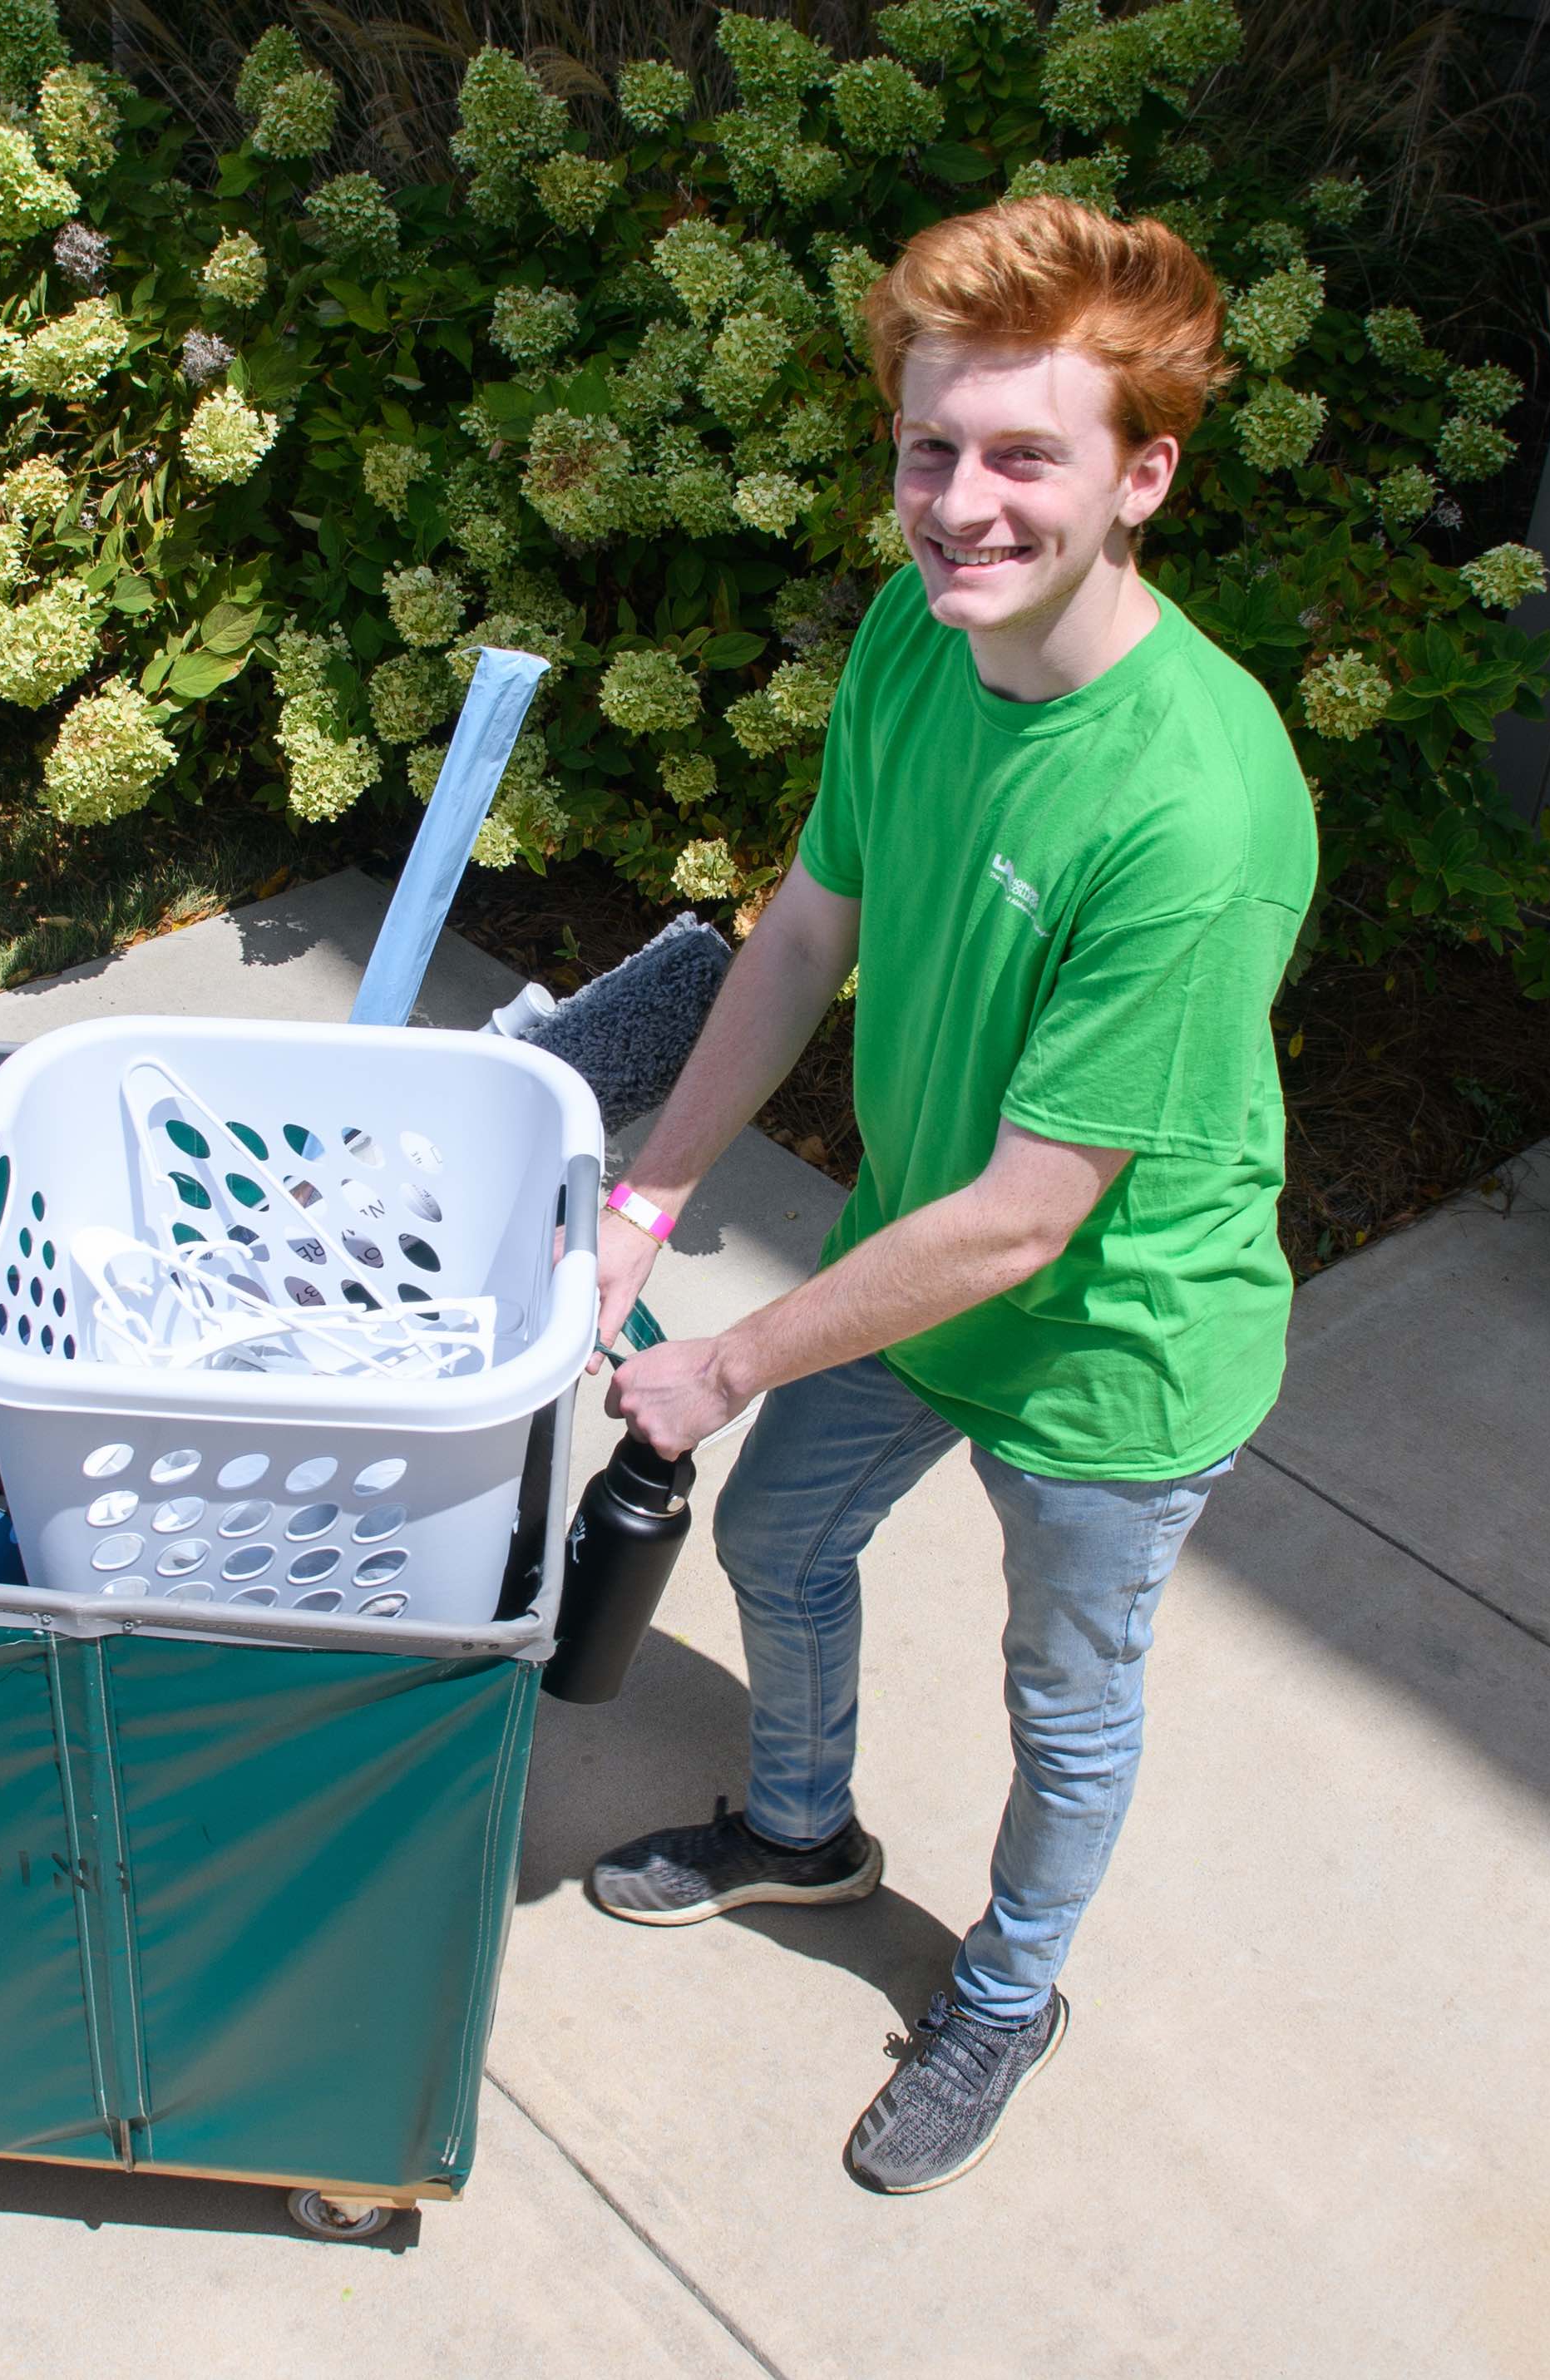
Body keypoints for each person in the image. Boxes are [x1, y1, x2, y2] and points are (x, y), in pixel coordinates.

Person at [583, 195, 1314, 2195]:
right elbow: (809, 925)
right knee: (781, 1540)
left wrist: (720, 1352)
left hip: (1105, 1345)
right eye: (929, 447)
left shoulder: (1196, 806)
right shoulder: (921, 634)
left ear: (1139, 474)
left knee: (1062, 1695)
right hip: (912, 1261)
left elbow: (1027, 1213)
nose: (959, 506)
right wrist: (647, 1200)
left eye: (1022, 456)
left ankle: (1005, 1986)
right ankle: (801, 1831)